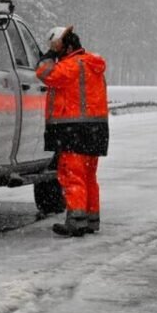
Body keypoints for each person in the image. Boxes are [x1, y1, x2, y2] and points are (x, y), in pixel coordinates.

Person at [36, 25, 109, 237]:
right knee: (88, 176)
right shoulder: (91, 64)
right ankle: (90, 219)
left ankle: (76, 221)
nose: (54, 53)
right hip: (96, 129)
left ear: (66, 48)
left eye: (56, 49)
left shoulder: (71, 66)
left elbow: (45, 73)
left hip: (73, 129)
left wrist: (47, 57)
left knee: (71, 175)